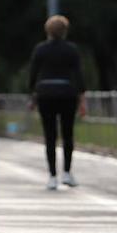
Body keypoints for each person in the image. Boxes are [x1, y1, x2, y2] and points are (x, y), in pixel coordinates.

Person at [28, 14, 86, 190]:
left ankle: (52, 176)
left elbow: (33, 76)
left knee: (50, 136)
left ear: (48, 31)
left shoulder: (40, 50)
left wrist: (32, 97)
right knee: (67, 134)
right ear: (65, 31)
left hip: (45, 95)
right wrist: (82, 100)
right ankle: (67, 173)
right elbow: (79, 76)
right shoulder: (72, 50)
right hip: (67, 94)